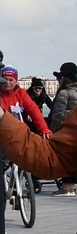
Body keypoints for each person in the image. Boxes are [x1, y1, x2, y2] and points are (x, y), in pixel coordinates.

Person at [49, 62, 77, 196]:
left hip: (65, 131)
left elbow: (58, 115)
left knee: (63, 158)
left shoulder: (64, 93)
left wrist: (53, 132)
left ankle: (67, 186)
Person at [0, 66, 52, 137]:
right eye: (5, 80)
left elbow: (34, 110)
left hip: (17, 131)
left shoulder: (21, 94)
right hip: (0, 131)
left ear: (16, 81)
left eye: (10, 80)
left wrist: (43, 128)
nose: (7, 82)